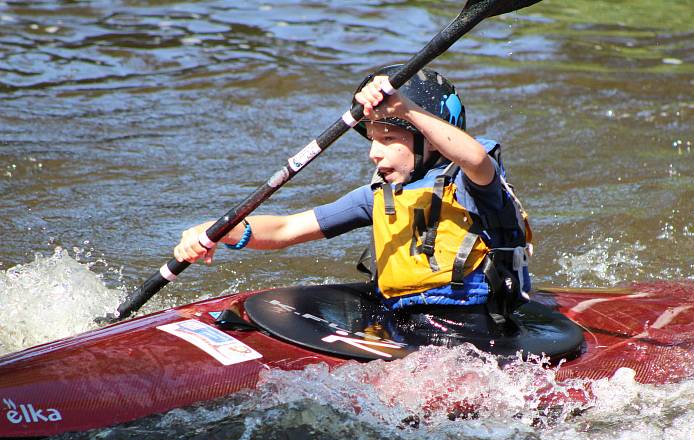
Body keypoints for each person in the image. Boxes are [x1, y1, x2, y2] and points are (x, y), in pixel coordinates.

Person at [174, 65, 533, 323]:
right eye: (373, 140)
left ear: (432, 144)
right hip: (403, 317)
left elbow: (474, 157)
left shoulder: (476, 185)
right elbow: (285, 230)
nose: (374, 153)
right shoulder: (378, 195)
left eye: (389, 140)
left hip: (476, 323)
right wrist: (216, 232)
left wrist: (404, 109)